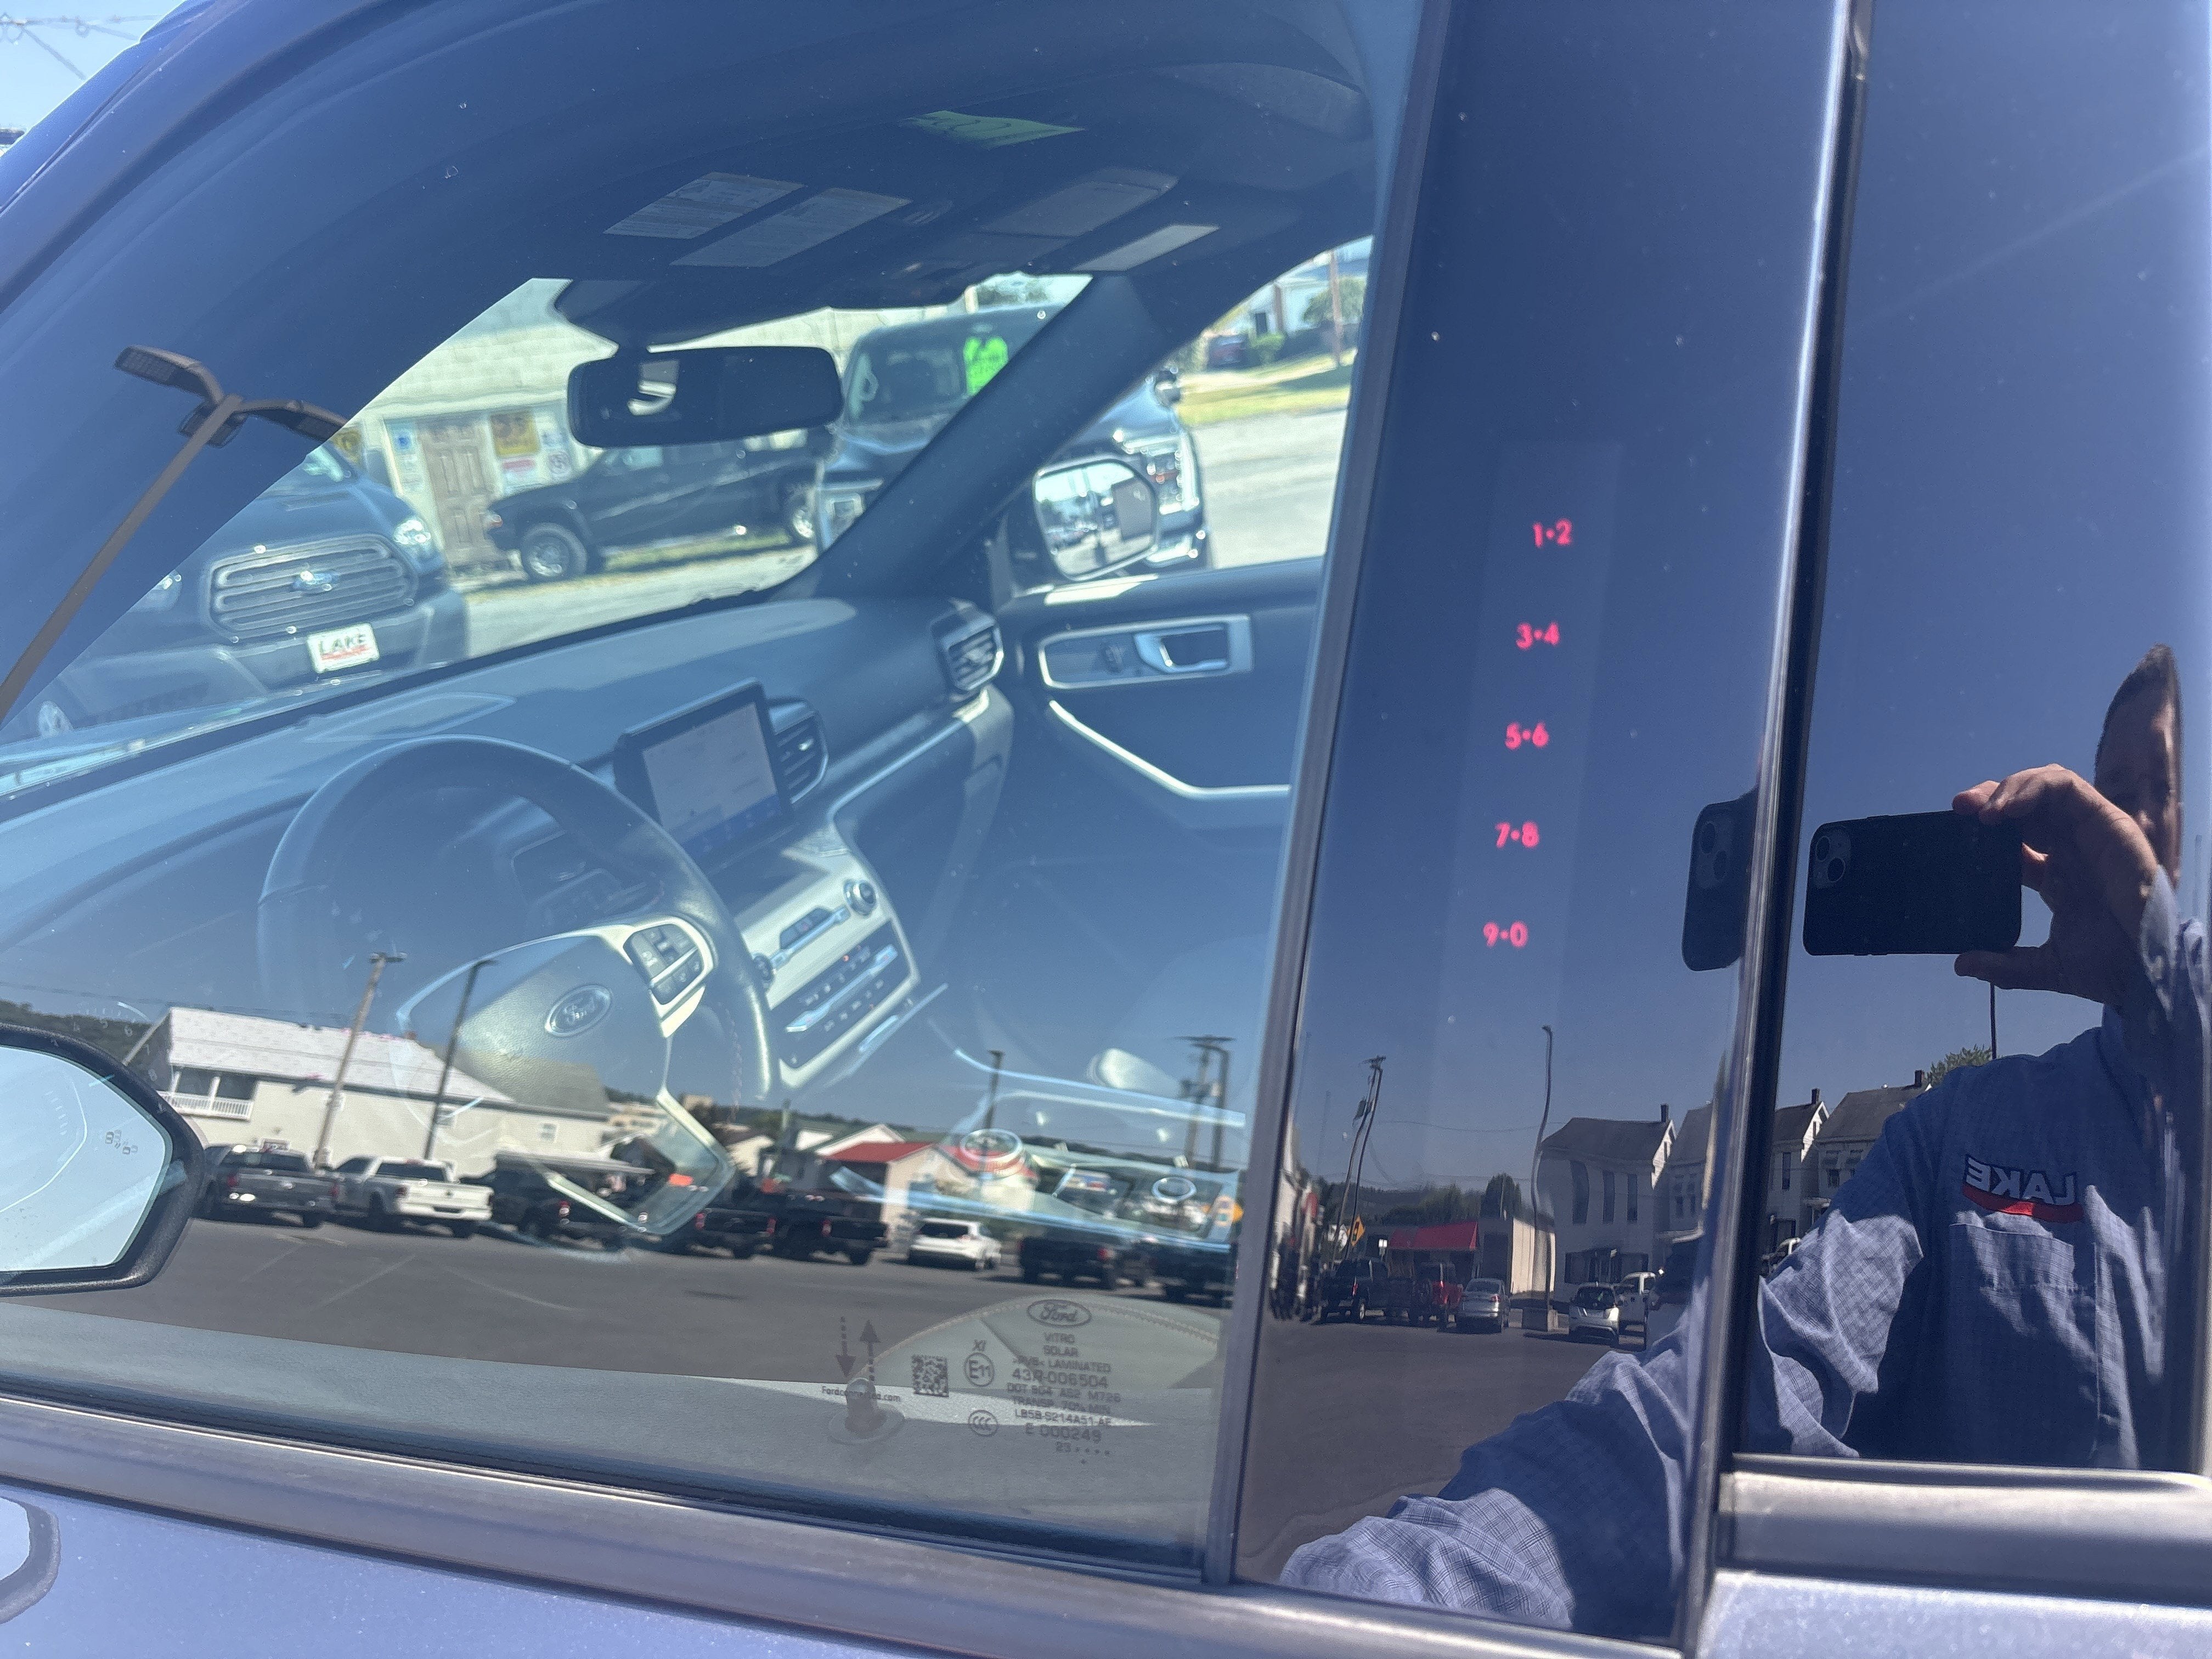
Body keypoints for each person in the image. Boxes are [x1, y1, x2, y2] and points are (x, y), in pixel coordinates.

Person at [1279, 646, 2207, 1639]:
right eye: (2111, 792)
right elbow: (1729, 1405)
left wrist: (2166, 974)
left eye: (2159, 789)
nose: (2129, 824)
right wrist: (1356, 1611)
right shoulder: (1961, 1130)